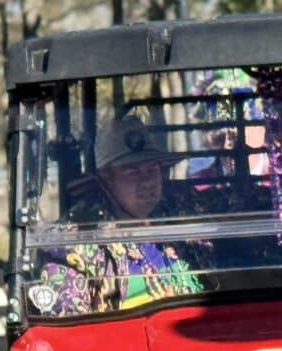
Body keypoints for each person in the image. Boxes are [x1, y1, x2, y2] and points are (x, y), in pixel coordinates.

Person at [38, 116, 212, 316]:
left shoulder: (180, 211)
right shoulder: (77, 240)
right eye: (132, 172)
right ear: (107, 179)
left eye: (152, 168)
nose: (147, 181)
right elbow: (67, 321)